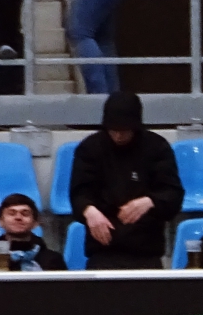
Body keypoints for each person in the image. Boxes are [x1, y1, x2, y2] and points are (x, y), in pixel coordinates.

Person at [70, 91, 184, 270]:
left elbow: (173, 194)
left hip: (146, 249)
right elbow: (79, 191)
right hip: (103, 249)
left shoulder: (157, 147)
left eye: (124, 131)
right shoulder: (90, 148)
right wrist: (88, 210)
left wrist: (150, 201)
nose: (119, 136)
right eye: (114, 131)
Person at [0, 193, 66, 272]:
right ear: (0, 222)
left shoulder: (54, 260)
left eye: (25, 213)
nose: (18, 217)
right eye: (11, 213)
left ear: (35, 223)